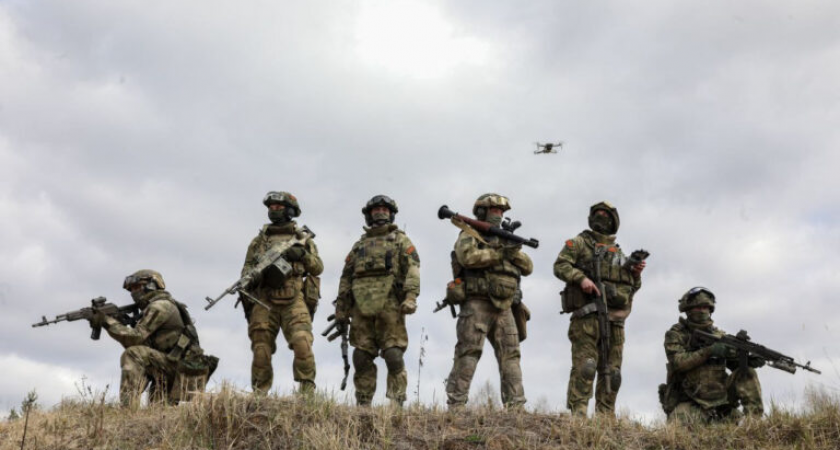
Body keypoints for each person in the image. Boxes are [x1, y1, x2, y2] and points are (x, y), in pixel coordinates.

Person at [553, 201, 645, 417]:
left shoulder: (620, 255)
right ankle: (579, 414)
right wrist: (581, 278)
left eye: (605, 214)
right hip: (586, 317)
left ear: (613, 221)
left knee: (612, 372)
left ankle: (606, 417)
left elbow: (632, 288)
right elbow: (560, 265)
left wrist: (636, 274)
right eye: (597, 213)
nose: (600, 217)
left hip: (615, 321)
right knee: (586, 366)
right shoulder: (579, 243)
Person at [444, 193, 533, 409]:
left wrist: (512, 251)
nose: (499, 214)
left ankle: (516, 407)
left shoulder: (505, 238)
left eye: (501, 211)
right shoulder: (470, 233)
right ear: (482, 211)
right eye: (495, 210)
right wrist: (500, 254)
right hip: (477, 303)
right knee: (468, 352)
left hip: (505, 307)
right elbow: (467, 257)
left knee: (511, 356)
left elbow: (528, 266)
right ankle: (456, 406)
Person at [334, 195, 420, 406]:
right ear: (368, 215)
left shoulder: (401, 240)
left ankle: (396, 403)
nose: (380, 213)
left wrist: (410, 297)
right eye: (375, 210)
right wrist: (341, 310)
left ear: (390, 214)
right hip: (361, 309)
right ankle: (363, 406)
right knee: (361, 357)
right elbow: (346, 278)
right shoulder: (358, 246)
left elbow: (413, 269)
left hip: (391, 306)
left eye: (384, 209)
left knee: (393, 355)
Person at [92, 269, 217, 406]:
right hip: (171, 364)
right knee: (159, 412)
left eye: (137, 287)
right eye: (132, 289)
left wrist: (107, 322)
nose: (134, 292)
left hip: (179, 367)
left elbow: (135, 339)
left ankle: (128, 408)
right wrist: (116, 321)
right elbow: (141, 343)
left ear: (152, 285)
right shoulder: (154, 307)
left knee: (133, 354)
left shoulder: (160, 306)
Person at [241, 191, 323, 394]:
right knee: (261, 349)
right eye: (271, 207)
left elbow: (317, 267)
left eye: (278, 207)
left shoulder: (301, 238)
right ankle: (259, 394)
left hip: (294, 298)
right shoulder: (258, 242)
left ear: (289, 210)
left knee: (302, 343)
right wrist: (252, 277)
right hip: (264, 299)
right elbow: (246, 269)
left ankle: (307, 394)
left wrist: (302, 254)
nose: (273, 210)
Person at [660, 287, 764, 423]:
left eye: (706, 307)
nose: (702, 311)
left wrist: (748, 359)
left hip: (721, 400)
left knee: (747, 372)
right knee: (678, 433)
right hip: (690, 399)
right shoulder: (676, 334)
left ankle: (754, 423)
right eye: (698, 307)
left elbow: (735, 366)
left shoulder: (720, 336)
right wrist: (710, 351)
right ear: (688, 310)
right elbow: (678, 363)